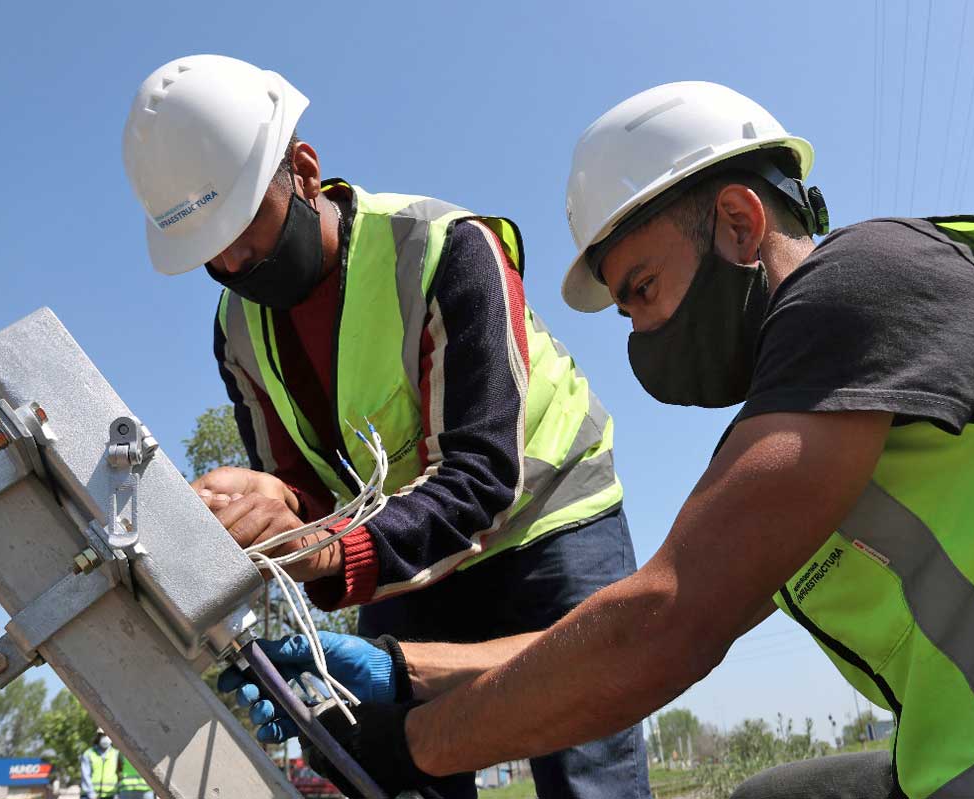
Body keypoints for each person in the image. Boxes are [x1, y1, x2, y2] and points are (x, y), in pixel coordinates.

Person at [224, 81, 974, 799]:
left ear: (740, 223)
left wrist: (413, 744)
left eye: (642, 288)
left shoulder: (867, 285)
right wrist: (402, 668)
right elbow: (609, 627)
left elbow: (667, 621)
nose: (639, 335)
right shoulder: (794, 425)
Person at [121, 55, 649, 799]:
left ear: (305, 173)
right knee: (394, 770)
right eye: (209, 252)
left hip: (546, 522)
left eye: (243, 225)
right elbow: (306, 490)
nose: (235, 261)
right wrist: (272, 503)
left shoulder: (443, 247)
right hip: (407, 547)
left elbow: (482, 476)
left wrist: (328, 546)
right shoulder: (237, 329)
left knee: (584, 765)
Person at [79, 729, 119, 799]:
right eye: (103, 735)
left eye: (108, 735)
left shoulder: (116, 754)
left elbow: (119, 774)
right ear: (98, 737)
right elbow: (85, 776)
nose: (106, 738)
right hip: (89, 796)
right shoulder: (89, 754)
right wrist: (91, 794)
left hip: (110, 795)